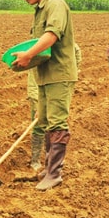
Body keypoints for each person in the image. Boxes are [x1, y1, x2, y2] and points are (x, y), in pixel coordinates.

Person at [8, 0, 78, 190]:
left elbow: (51, 36)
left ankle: (54, 174)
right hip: (45, 76)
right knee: (46, 122)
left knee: (57, 122)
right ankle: (48, 169)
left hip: (58, 74)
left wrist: (28, 55)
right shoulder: (40, 9)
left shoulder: (55, 4)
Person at [27, 43, 81, 171]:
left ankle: (50, 162)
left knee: (54, 125)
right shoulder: (38, 47)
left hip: (57, 87)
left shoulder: (67, 47)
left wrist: (72, 72)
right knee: (39, 124)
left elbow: (77, 54)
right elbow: (34, 81)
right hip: (39, 87)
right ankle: (35, 160)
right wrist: (37, 103)